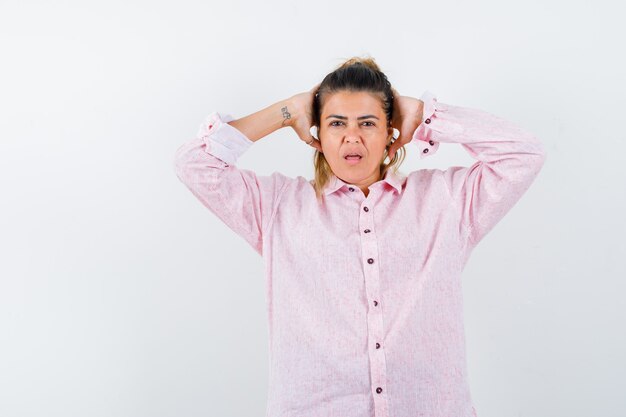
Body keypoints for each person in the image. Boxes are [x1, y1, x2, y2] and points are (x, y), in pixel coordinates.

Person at [173, 56, 546, 417]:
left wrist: (425, 116)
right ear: (317, 135)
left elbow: (524, 154)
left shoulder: (446, 201)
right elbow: (194, 164)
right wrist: (286, 111)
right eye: (336, 123)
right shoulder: (277, 207)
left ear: (390, 134)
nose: (352, 136)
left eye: (367, 123)